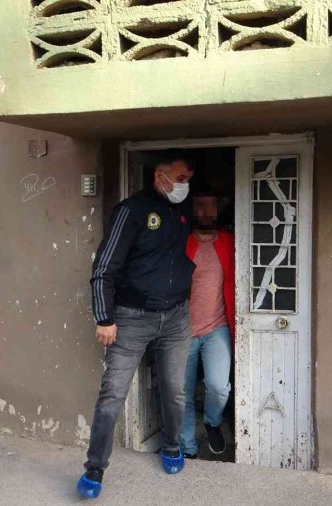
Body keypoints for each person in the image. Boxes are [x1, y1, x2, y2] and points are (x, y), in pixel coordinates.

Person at [77, 150, 196, 499]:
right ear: (159, 175)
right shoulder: (132, 211)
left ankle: (171, 445)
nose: (183, 186)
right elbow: (104, 268)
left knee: (174, 390)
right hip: (130, 320)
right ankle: (94, 469)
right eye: (180, 179)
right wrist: (104, 318)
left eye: (188, 180)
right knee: (112, 394)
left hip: (175, 317)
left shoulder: (181, 211)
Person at [180, 189, 235, 458]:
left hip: (217, 327)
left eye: (210, 206)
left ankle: (213, 422)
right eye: (200, 206)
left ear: (218, 208)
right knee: (182, 392)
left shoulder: (229, 241)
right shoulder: (180, 242)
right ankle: (187, 447)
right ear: (191, 208)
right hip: (182, 331)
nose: (205, 212)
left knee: (218, 386)